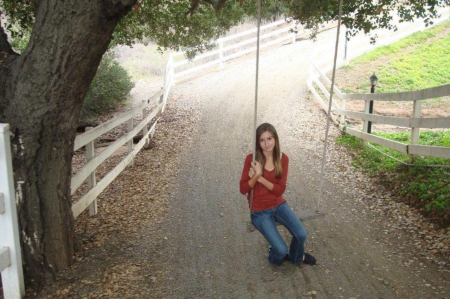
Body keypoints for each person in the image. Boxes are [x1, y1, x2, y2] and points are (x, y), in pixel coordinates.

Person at [239, 123, 316, 266]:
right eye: (262, 140)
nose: (267, 144)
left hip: (278, 205)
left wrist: (260, 177)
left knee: (301, 235)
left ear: (275, 139)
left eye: (269, 139)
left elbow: (280, 190)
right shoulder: (252, 159)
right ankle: (275, 254)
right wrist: (255, 176)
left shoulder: (282, 158)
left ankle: (296, 257)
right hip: (259, 211)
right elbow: (243, 189)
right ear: (258, 142)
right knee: (280, 251)